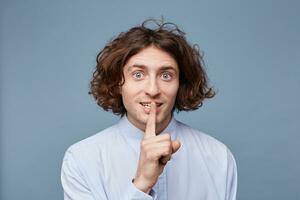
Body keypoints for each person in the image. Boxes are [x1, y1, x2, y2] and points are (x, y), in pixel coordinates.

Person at [61, 19, 237, 200]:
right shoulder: (82, 159)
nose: (153, 90)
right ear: (117, 83)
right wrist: (142, 183)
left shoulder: (218, 157)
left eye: (166, 75)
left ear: (181, 85)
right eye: (138, 75)